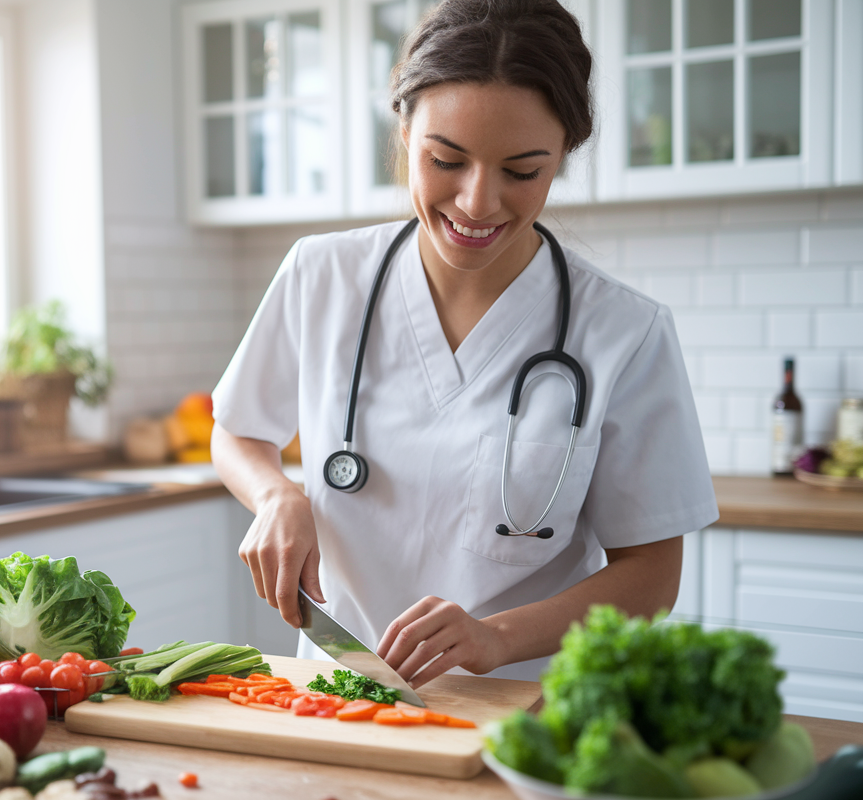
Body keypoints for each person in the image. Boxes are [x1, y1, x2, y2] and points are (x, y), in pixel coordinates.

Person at [210, 0, 718, 683]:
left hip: (523, 721)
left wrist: (496, 638)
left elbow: (651, 578)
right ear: (403, 128)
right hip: (337, 698)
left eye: (521, 171)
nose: (478, 202)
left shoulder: (624, 333)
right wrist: (276, 496)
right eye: (446, 159)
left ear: (563, 154)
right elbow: (237, 432)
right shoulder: (320, 275)